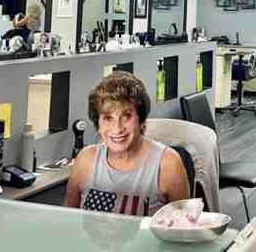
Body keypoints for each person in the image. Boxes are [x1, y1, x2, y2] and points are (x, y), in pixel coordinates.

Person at [65, 71, 190, 216]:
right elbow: (68, 220)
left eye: (126, 116)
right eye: (108, 118)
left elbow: (184, 225)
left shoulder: (168, 163)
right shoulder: (85, 159)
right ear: (98, 123)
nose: (117, 129)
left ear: (141, 120)